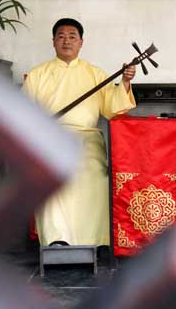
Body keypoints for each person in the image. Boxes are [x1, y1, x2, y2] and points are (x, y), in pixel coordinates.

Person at [23, 18, 136, 247]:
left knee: (97, 176)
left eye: (72, 36)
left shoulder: (95, 73)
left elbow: (112, 108)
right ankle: (57, 239)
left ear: (81, 42)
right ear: (53, 42)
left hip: (87, 138)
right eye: (61, 36)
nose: (66, 41)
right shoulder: (37, 74)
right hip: (50, 138)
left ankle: (97, 240)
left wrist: (124, 81)